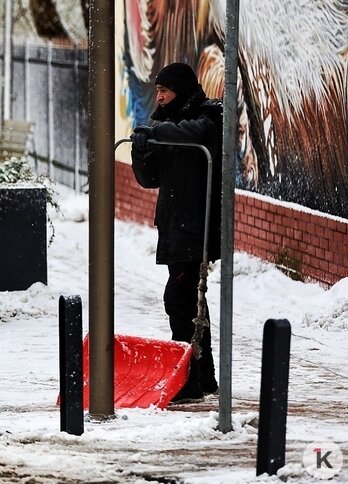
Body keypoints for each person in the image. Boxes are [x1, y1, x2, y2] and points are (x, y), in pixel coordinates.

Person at [129, 62, 223, 403]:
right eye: (157, 91)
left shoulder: (210, 114)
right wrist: (141, 149)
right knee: (192, 303)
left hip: (197, 224)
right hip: (173, 225)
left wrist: (154, 132)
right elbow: (150, 177)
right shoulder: (164, 122)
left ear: (180, 89)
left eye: (164, 90)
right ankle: (205, 376)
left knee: (179, 300)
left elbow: (196, 133)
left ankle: (191, 381)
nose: (159, 96)